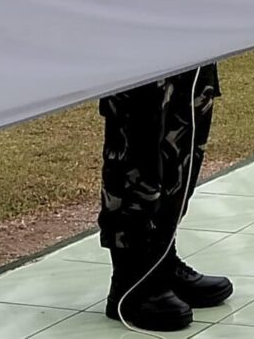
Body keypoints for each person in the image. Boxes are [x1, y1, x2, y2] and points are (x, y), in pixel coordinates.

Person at [99, 67, 233, 329]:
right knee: (138, 138)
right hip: (137, 45)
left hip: (189, 33)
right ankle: (131, 278)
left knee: (187, 126)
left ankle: (162, 260)